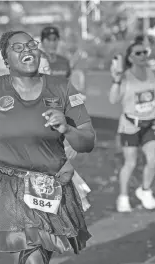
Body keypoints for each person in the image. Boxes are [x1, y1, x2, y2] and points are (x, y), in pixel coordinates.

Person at [0, 30, 95, 264]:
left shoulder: (63, 88)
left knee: (40, 253)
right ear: (5, 59)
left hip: (50, 184)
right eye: (18, 48)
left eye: (31, 45)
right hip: (8, 184)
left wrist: (67, 129)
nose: (27, 50)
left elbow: (88, 141)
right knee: (33, 255)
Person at [109, 41, 155, 213]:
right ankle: (123, 197)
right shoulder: (125, 76)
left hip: (150, 123)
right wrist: (116, 80)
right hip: (130, 125)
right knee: (130, 163)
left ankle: (145, 190)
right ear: (131, 58)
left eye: (144, 52)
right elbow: (113, 99)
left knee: (154, 159)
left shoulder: (153, 73)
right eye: (138, 53)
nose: (143, 56)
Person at [40, 25, 91, 211]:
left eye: (55, 39)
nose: (52, 43)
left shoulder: (63, 62)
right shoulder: (34, 70)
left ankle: (68, 207)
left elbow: (71, 94)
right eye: (48, 39)